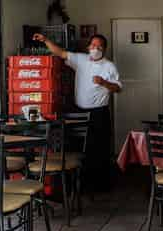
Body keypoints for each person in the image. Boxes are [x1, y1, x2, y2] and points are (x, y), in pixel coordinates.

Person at [33, 33, 122, 192]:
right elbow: (60, 53)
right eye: (93, 45)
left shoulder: (109, 66)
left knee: (99, 150)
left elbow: (118, 89)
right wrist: (46, 40)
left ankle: (100, 187)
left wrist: (104, 82)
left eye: (99, 46)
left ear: (105, 49)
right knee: (78, 149)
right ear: (88, 47)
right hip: (79, 113)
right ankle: (80, 188)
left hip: (99, 114)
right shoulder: (80, 60)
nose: (96, 49)